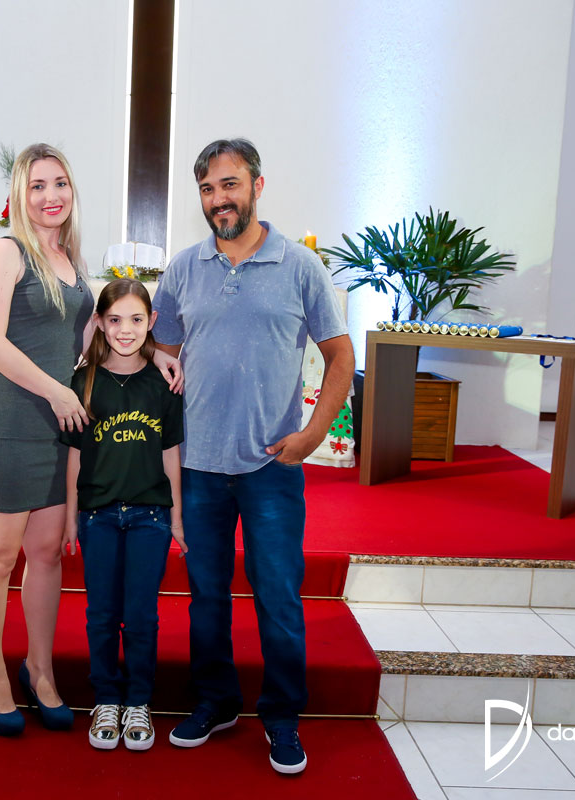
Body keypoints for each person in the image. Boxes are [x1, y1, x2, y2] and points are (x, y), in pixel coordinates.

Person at [0, 144, 180, 737]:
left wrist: (156, 353)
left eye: (59, 183)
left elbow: (94, 337)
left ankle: (40, 670)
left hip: (61, 431)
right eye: (37, 185)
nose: (50, 195)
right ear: (20, 194)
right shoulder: (7, 251)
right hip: (9, 425)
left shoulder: (69, 260)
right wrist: (58, 393)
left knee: (45, 555)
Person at [152, 138, 354, 774]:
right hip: (200, 466)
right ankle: (215, 702)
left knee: (278, 597)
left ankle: (283, 715)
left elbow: (341, 355)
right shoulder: (184, 268)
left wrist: (314, 433)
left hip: (272, 465)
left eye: (230, 185)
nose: (219, 200)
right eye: (208, 189)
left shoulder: (300, 266)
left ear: (257, 186)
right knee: (206, 596)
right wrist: (159, 361)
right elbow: (159, 347)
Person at [60, 279, 187, 752]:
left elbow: (170, 451)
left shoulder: (164, 382)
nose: (125, 330)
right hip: (98, 516)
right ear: (99, 322)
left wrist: (176, 517)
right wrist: (71, 515)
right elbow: (75, 455)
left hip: (150, 517)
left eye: (136, 319)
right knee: (101, 613)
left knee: (140, 615)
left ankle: (138, 700)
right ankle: (106, 699)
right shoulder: (84, 380)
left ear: (151, 322)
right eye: (114, 320)